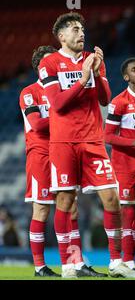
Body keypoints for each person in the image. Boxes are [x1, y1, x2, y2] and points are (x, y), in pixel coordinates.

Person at [38, 12, 135, 278]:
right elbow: (58, 104)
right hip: (63, 142)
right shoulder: (49, 63)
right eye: (74, 29)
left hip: (93, 140)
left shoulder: (92, 60)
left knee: (112, 199)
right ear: (61, 36)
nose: (81, 33)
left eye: (82, 29)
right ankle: (70, 264)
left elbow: (105, 99)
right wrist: (83, 78)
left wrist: (97, 72)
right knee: (66, 200)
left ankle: (116, 262)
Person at [20, 45, 103, 277]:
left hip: (64, 151)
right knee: (42, 210)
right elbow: (36, 124)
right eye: (50, 62)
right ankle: (39, 267)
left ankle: (76, 263)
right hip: (41, 156)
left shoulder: (65, 89)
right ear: (40, 67)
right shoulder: (29, 92)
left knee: (72, 209)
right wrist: (64, 116)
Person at [104, 58, 135, 270]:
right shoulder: (119, 101)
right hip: (125, 166)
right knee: (128, 212)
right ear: (126, 76)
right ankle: (124, 261)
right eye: (134, 70)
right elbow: (108, 136)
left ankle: (132, 261)